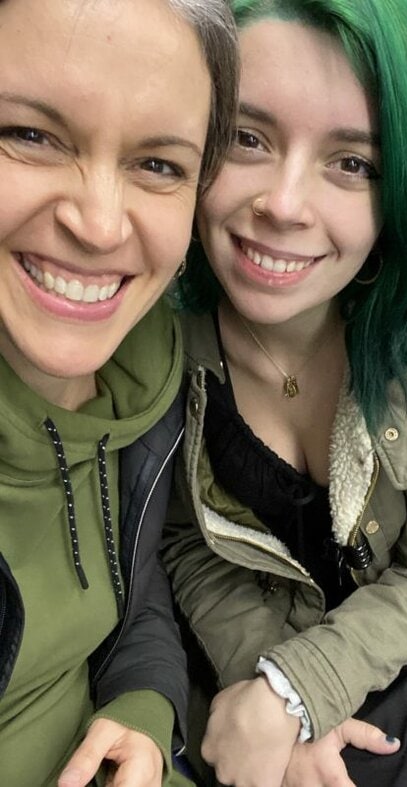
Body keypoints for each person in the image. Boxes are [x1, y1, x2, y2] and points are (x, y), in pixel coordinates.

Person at [163, 0, 407, 785]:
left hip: (398, 635)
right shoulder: (163, 329)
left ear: (398, 187)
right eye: (248, 137)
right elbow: (181, 540)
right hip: (236, 630)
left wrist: (299, 690)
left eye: (352, 163)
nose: (282, 203)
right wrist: (269, 688)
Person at [0, 0, 237, 785]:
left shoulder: (145, 374)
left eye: (159, 164)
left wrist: (141, 708)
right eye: (29, 134)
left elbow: (133, 597)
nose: (100, 224)